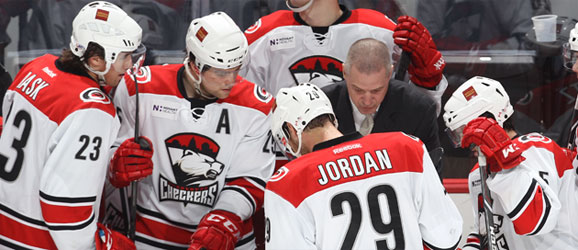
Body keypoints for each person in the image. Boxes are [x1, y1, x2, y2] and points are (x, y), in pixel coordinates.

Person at [102, 11, 275, 249]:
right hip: (151, 234)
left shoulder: (257, 105)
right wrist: (115, 163)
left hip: (224, 237)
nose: (232, 80)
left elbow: (251, 178)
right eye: (221, 72)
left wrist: (224, 220)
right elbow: (108, 151)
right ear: (195, 65)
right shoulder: (138, 87)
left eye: (236, 69)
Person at [0, 1, 151, 249]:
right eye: (124, 56)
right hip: (38, 240)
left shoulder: (35, 67)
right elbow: (63, 205)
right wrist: (99, 244)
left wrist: (109, 164)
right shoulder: (93, 109)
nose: (129, 66)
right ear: (95, 60)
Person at [265, 83, 462, 249]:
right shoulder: (407, 147)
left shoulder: (287, 182)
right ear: (331, 117)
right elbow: (446, 236)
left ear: (290, 129)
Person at [242, 0, 448, 115]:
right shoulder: (262, 35)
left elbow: (422, 117)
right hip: (283, 166)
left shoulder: (382, 31)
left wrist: (429, 83)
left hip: (362, 164)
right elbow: (236, 110)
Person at [443, 76, 578, 249]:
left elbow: (536, 222)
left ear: (491, 119)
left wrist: (504, 159)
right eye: (458, 135)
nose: (465, 143)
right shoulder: (477, 174)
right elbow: (488, 234)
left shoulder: (537, 148)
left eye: (465, 131)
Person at [322, 38, 440, 155]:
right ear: (344, 72)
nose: (367, 101)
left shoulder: (418, 110)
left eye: (376, 90)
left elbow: (431, 170)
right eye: (358, 90)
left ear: (389, 74)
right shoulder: (321, 107)